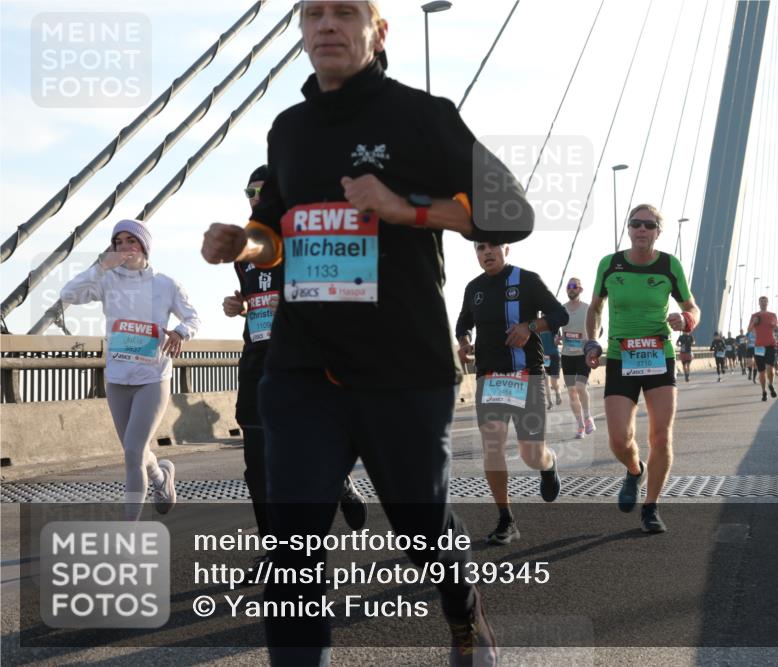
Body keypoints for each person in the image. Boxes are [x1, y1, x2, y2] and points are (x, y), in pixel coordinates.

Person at [200, 2, 532, 664]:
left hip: (403, 367)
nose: (327, 23)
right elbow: (275, 232)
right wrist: (246, 240)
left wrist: (403, 209)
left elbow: (511, 213)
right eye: (313, 13)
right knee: (291, 544)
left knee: (420, 527)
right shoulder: (288, 130)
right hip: (300, 369)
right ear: (300, 31)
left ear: (378, 32)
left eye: (345, 11)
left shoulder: (422, 117)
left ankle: (464, 613)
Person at [222, 165, 367, 563]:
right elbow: (252, 298)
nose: (253, 196)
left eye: (261, 190)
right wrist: (237, 306)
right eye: (248, 190)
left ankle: (337, 482)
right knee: (256, 463)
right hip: (255, 361)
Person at [62, 219, 200, 519]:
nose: (125, 247)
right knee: (133, 450)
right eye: (118, 242)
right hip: (117, 378)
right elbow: (68, 295)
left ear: (145, 246)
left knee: (133, 453)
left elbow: (193, 319)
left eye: (131, 241)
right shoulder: (106, 280)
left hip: (153, 378)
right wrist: (101, 266)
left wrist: (179, 333)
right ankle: (161, 477)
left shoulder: (166, 284)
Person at [584, 204, 700, 534]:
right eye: (636, 224)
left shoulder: (668, 265)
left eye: (649, 225)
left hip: (658, 356)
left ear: (658, 232)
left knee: (661, 436)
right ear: (629, 228)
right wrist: (592, 341)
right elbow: (595, 307)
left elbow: (691, 305)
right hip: (622, 357)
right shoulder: (610, 264)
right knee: (619, 439)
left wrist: (687, 319)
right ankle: (635, 470)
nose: (641, 229)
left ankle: (651, 507)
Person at [456, 242, 567, 545]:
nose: (486, 253)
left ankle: (548, 463)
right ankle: (506, 518)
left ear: (506, 248)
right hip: (489, 378)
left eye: (492, 247)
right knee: (492, 446)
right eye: (480, 248)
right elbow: (463, 324)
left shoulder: (527, 280)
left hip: (527, 376)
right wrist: (465, 343)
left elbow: (559, 314)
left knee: (531, 455)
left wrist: (530, 326)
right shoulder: (474, 287)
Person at [559, 277, 597, 438]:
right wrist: (557, 338)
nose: (571, 289)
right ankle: (580, 426)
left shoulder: (588, 309)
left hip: (583, 355)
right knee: (572, 392)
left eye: (574, 286)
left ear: (580, 290)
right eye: (569, 286)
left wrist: (592, 344)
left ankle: (588, 417)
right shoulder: (561, 309)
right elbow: (558, 331)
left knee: (580, 387)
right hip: (567, 356)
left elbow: (597, 329)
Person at [747, 295, 778, 402]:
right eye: (761, 301)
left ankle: (771, 384)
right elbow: (749, 329)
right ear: (759, 303)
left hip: (770, 345)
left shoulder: (773, 315)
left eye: (765, 301)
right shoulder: (754, 315)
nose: (763, 303)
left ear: (768, 303)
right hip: (759, 346)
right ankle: (764, 391)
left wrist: (775, 325)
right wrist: (754, 322)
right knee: (761, 372)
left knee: (770, 368)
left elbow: (777, 327)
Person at [540, 330, 562, 410]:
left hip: (554, 356)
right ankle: (550, 402)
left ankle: (557, 392)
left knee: (553, 383)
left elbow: (559, 341)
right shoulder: (538, 326)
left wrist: (557, 340)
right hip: (543, 357)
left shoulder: (555, 326)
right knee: (545, 382)